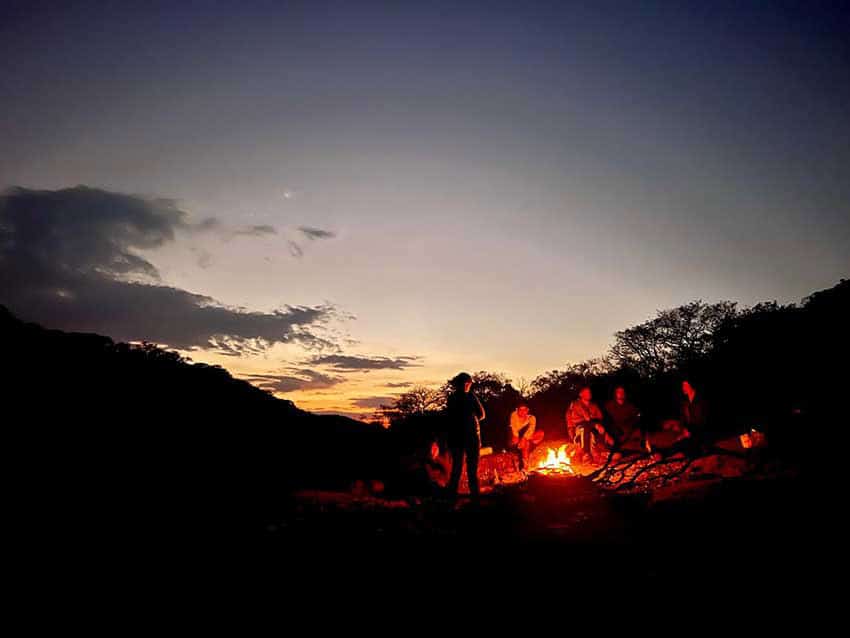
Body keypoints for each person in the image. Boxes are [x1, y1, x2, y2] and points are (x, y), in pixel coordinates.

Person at [446, 372, 486, 499]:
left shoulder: (452, 398)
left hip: (457, 437)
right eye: (468, 383)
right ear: (466, 384)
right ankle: (475, 497)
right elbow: (482, 414)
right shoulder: (470, 397)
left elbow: (449, 418)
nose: (468, 385)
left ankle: (452, 495)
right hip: (470, 436)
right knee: (471, 469)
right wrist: (471, 420)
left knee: (457, 468)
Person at [565, 387, 608, 462]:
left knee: (599, 428)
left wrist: (594, 422)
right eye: (586, 392)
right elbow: (587, 418)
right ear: (581, 394)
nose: (589, 394)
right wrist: (594, 422)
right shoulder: (576, 404)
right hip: (579, 427)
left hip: (592, 425)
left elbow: (600, 417)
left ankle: (601, 452)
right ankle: (586, 453)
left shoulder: (593, 405)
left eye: (589, 392)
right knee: (585, 427)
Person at [604, 386, 651, 453]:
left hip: (628, 428)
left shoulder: (629, 405)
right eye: (619, 392)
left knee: (640, 430)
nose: (621, 394)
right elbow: (606, 420)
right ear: (615, 394)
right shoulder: (609, 405)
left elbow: (638, 414)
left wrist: (639, 416)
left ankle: (645, 448)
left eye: (623, 392)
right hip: (616, 430)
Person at [508, 403, 544, 471]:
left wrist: (524, 439)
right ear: (517, 410)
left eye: (524, 410)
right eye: (520, 410)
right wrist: (519, 439)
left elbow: (531, 429)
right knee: (521, 442)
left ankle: (525, 463)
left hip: (526, 437)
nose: (522, 412)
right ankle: (525, 464)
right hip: (516, 437)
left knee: (540, 433)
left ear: (527, 410)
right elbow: (514, 429)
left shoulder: (531, 418)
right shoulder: (513, 415)